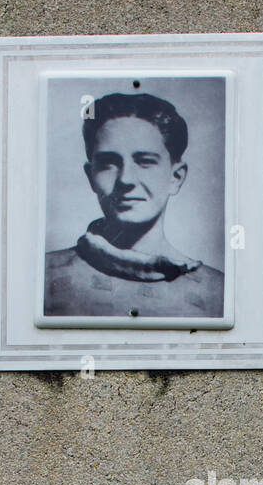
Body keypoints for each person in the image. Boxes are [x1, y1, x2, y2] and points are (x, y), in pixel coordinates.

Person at [44, 91, 224, 320]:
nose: (126, 180)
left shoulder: (217, 292)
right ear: (91, 176)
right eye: (109, 163)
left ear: (175, 177)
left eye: (145, 162)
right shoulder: (43, 276)